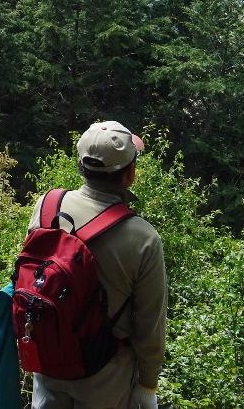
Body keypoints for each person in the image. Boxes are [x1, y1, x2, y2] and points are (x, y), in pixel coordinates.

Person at [27, 121, 167, 409]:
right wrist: (147, 384)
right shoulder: (143, 237)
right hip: (106, 372)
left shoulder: (47, 206)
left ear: (81, 165)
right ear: (129, 175)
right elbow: (149, 325)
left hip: (50, 357)